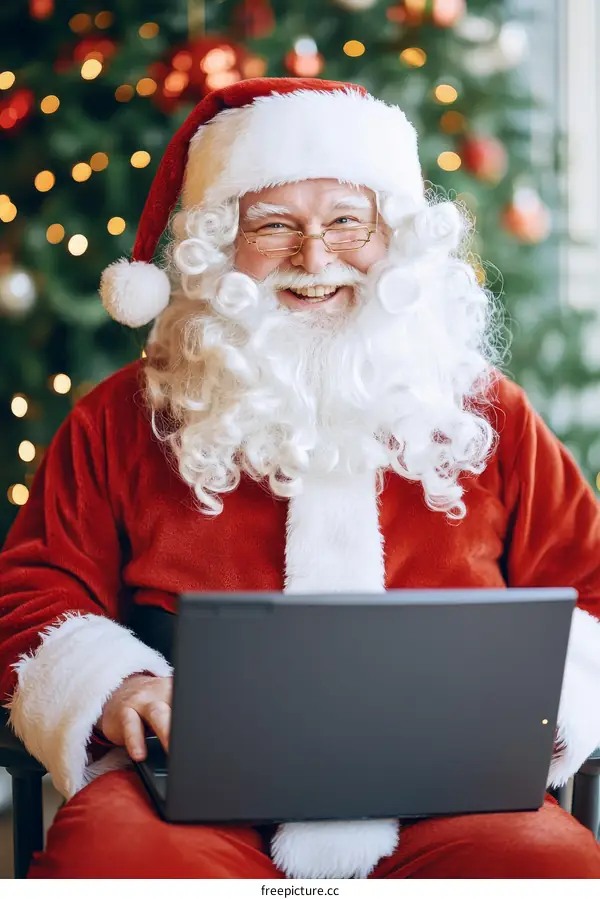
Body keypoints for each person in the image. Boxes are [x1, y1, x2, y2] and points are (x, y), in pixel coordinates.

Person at [1, 76, 600, 880]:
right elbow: (34, 589)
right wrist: (121, 685)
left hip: (454, 787)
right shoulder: (124, 416)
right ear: (217, 246)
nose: (314, 258)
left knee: (548, 867)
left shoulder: (487, 413)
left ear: (396, 239)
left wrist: (535, 712)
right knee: (117, 859)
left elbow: (591, 587)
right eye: (274, 225)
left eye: (347, 222)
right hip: (192, 785)